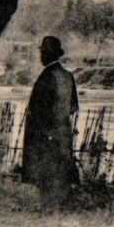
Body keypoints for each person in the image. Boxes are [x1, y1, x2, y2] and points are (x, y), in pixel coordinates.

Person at [21, 35, 79, 212]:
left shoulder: (46, 78)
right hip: (63, 131)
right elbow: (73, 106)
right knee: (61, 169)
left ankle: (49, 206)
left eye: (43, 53)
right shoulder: (68, 76)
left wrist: (42, 129)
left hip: (45, 133)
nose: (41, 56)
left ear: (48, 54)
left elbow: (39, 109)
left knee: (45, 170)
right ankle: (59, 206)